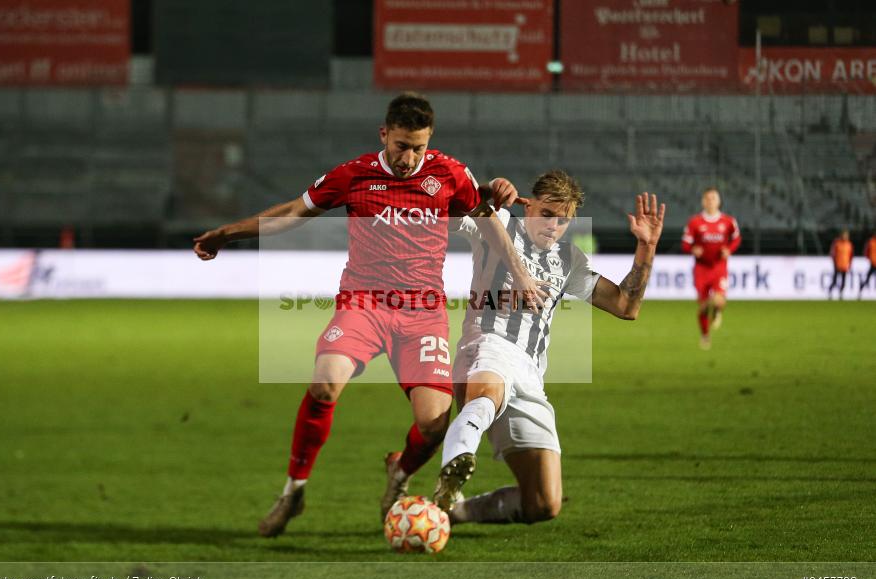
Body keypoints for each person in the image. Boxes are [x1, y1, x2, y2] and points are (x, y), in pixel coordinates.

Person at [193, 93, 545, 537]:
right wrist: (227, 234)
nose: (409, 156)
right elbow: (292, 212)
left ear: (429, 139)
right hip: (364, 304)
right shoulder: (354, 175)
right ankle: (293, 491)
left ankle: (399, 472)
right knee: (323, 385)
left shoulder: (450, 173)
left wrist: (521, 274)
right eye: (401, 145)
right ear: (384, 135)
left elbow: (488, 215)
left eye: (418, 146)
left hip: (422, 313)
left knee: (434, 423)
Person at [432, 170, 665, 526]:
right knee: (487, 393)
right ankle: (454, 464)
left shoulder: (569, 259)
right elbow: (441, 213)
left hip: (529, 374)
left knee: (542, 503)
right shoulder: (499, 221)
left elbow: (625, 306)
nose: (553, 226)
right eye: (546, 214)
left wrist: (646, 247)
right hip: (487, 345)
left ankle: (455, 508)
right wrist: (481, 192)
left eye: (563, 220)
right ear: (528, 206)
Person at [681, 188, 740, 350]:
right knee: (703, 307)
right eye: (707, 198)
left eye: (713, 198)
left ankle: (717, 312)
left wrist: (729, 249)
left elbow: (736, 239)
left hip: (719, 268)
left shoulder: (728, 222)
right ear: (703, 201)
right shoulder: (695, 222)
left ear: (719, 201)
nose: (710, 201)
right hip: (701, 270)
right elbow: (685, 244)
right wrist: (693, 249)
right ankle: (705, 335)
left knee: (719, 301)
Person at [859, 231, 876, 300]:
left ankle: (861, 288)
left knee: (868, 278)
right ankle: (861, 289)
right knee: (867, 278)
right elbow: (866, 251)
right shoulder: (871, 241)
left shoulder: (871, 241)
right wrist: (870, 259)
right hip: (873, 263)